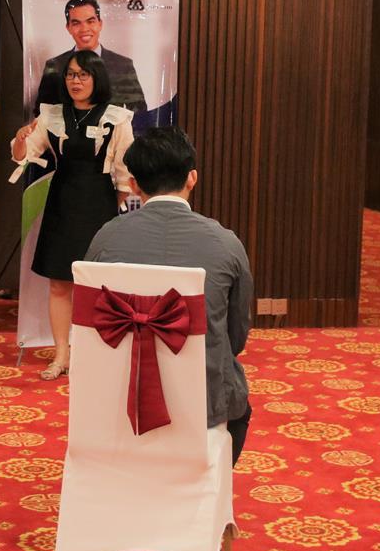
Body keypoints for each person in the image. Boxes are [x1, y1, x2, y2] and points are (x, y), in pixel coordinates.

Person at [84, 127, 253, 464]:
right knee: (238, 402)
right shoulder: (225, 244)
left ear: (134, 184)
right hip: (204, 401)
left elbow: (90, 326)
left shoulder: (106, 239)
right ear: (192, 178)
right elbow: (235, 337)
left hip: (119, 397)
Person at [11, 50, 134, 379]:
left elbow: (124, 174)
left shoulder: (116, 118)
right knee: (59, 284)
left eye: (83, 75)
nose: (75, 81)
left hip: (100, 205)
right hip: (62, 202)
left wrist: (112, 207)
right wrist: (21, 139)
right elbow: (23, 155)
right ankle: (61, 355)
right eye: (70, 75)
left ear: (97, 78)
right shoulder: (51, 115)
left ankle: (92, 355)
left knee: (97, 285)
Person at [35, 0, 148, 116]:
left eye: (90, 21)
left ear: (100, 24)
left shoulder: (122, 65)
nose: (84, 29)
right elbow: (42, 111)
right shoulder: (55, 65)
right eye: (76, 23)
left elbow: (139, 111)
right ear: (68, 28)